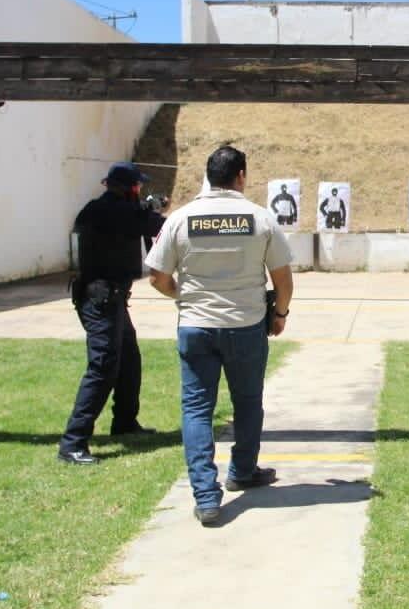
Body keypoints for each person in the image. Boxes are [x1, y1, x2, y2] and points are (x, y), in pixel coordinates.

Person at [146, 145, 294, 526]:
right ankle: (242, 471)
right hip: (246, 326)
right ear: (241, 175)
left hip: (196, 326)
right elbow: (283, 279)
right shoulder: (260, 219)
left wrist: (184, 296)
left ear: (208, 175)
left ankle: (206, 497)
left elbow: (157, 277)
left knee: (197, 409)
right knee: (247, 402)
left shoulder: (181, 218)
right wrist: (279, 313)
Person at [58, 162, 166, 465]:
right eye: (137, 188)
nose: (140, 191)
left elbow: (134, 221)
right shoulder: (117, 212)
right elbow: (158, 225)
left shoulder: (100, 209)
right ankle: (73, 442)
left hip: (109, 297)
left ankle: (124, 422)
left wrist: (144, 209)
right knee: (103, 366)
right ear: (128, 188)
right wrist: (148, 210)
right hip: (101, 299)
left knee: (129, 359)